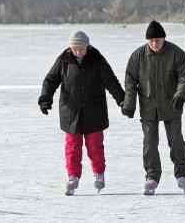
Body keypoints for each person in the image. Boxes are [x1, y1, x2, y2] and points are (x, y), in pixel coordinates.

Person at [38, 31, 125, 195]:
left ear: (87, 46)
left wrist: (121, 99)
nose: (78, 52)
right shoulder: (64, 60)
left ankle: (99, 174)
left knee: (95, 147)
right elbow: (50, 80)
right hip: (71, 113)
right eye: (75, 49)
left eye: (81, 49)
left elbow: (110, 80)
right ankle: (73, 178)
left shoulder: (97, 59)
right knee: (72, 147)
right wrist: (45, 98)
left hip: (94, 111)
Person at [122, 20, 185, 195]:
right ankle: (152, 176)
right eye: (152, 40)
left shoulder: (176, 53)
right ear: (148, 41)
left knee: (176, 140)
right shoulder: (138, 56)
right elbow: (130, 82)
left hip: (172, 104)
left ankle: (182, 173)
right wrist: (129, 104)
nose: (155, 43)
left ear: (164, 38)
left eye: (158, 40)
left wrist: (180, 96)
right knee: (150, 142)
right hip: (148, 106)